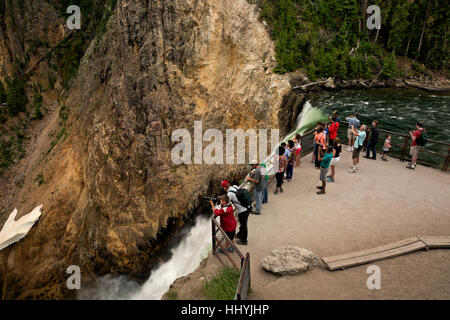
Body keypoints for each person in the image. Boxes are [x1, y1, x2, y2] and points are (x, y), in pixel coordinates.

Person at [221, 181, 250, 245]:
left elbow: (226, 204)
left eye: (223, 187)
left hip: (243, 211)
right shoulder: (234, 186)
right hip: (247, 207)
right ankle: (240, 234)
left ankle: (244, 240)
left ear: (224, 187)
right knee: (242, 223)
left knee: (244, 225)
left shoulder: (229, 194)